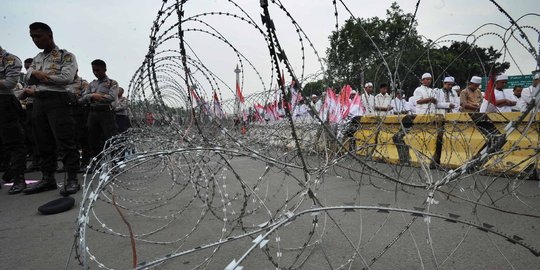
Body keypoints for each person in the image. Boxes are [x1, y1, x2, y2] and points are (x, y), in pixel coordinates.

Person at [22, 22, 80, 195]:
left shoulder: (66, 56)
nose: (35, 40)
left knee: (65, 140)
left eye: (38, 36)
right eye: (32, 37)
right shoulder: (38, 58)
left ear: (49, 35)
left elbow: (66, 78)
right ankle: (48, 178)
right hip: (39, 101)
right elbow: (27, 78)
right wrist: (36, 75)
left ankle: (72, 179)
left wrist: (38, 76)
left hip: (58, 100)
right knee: (43, 141)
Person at [79, 59, 119, 167]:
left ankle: (114, 163)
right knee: (93, 140)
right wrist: (92, 96)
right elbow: (83, 98)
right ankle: (96, 164)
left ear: (104, 69)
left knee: (111, 138)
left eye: (98, 70)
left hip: (106, 113)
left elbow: (111, 97)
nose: (96, 72)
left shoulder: (112, 83)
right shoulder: (91, 84)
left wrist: (95, 96)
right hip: (93, 114)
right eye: (94, 70)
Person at [0, 45, 27, 194]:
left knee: (14, 142)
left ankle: (19, 179)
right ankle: (9, 172)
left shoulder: (9, 59)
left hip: (5, 102)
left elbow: (10, 83)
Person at [69, 71, 90, 172]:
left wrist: (73, 98)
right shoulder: (64, 83)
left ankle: (85, 162)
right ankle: (73, 164)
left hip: (80, 113)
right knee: (70, 139)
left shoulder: (82, 83)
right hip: (67, 113)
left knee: (83, 139)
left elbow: (86, 97)